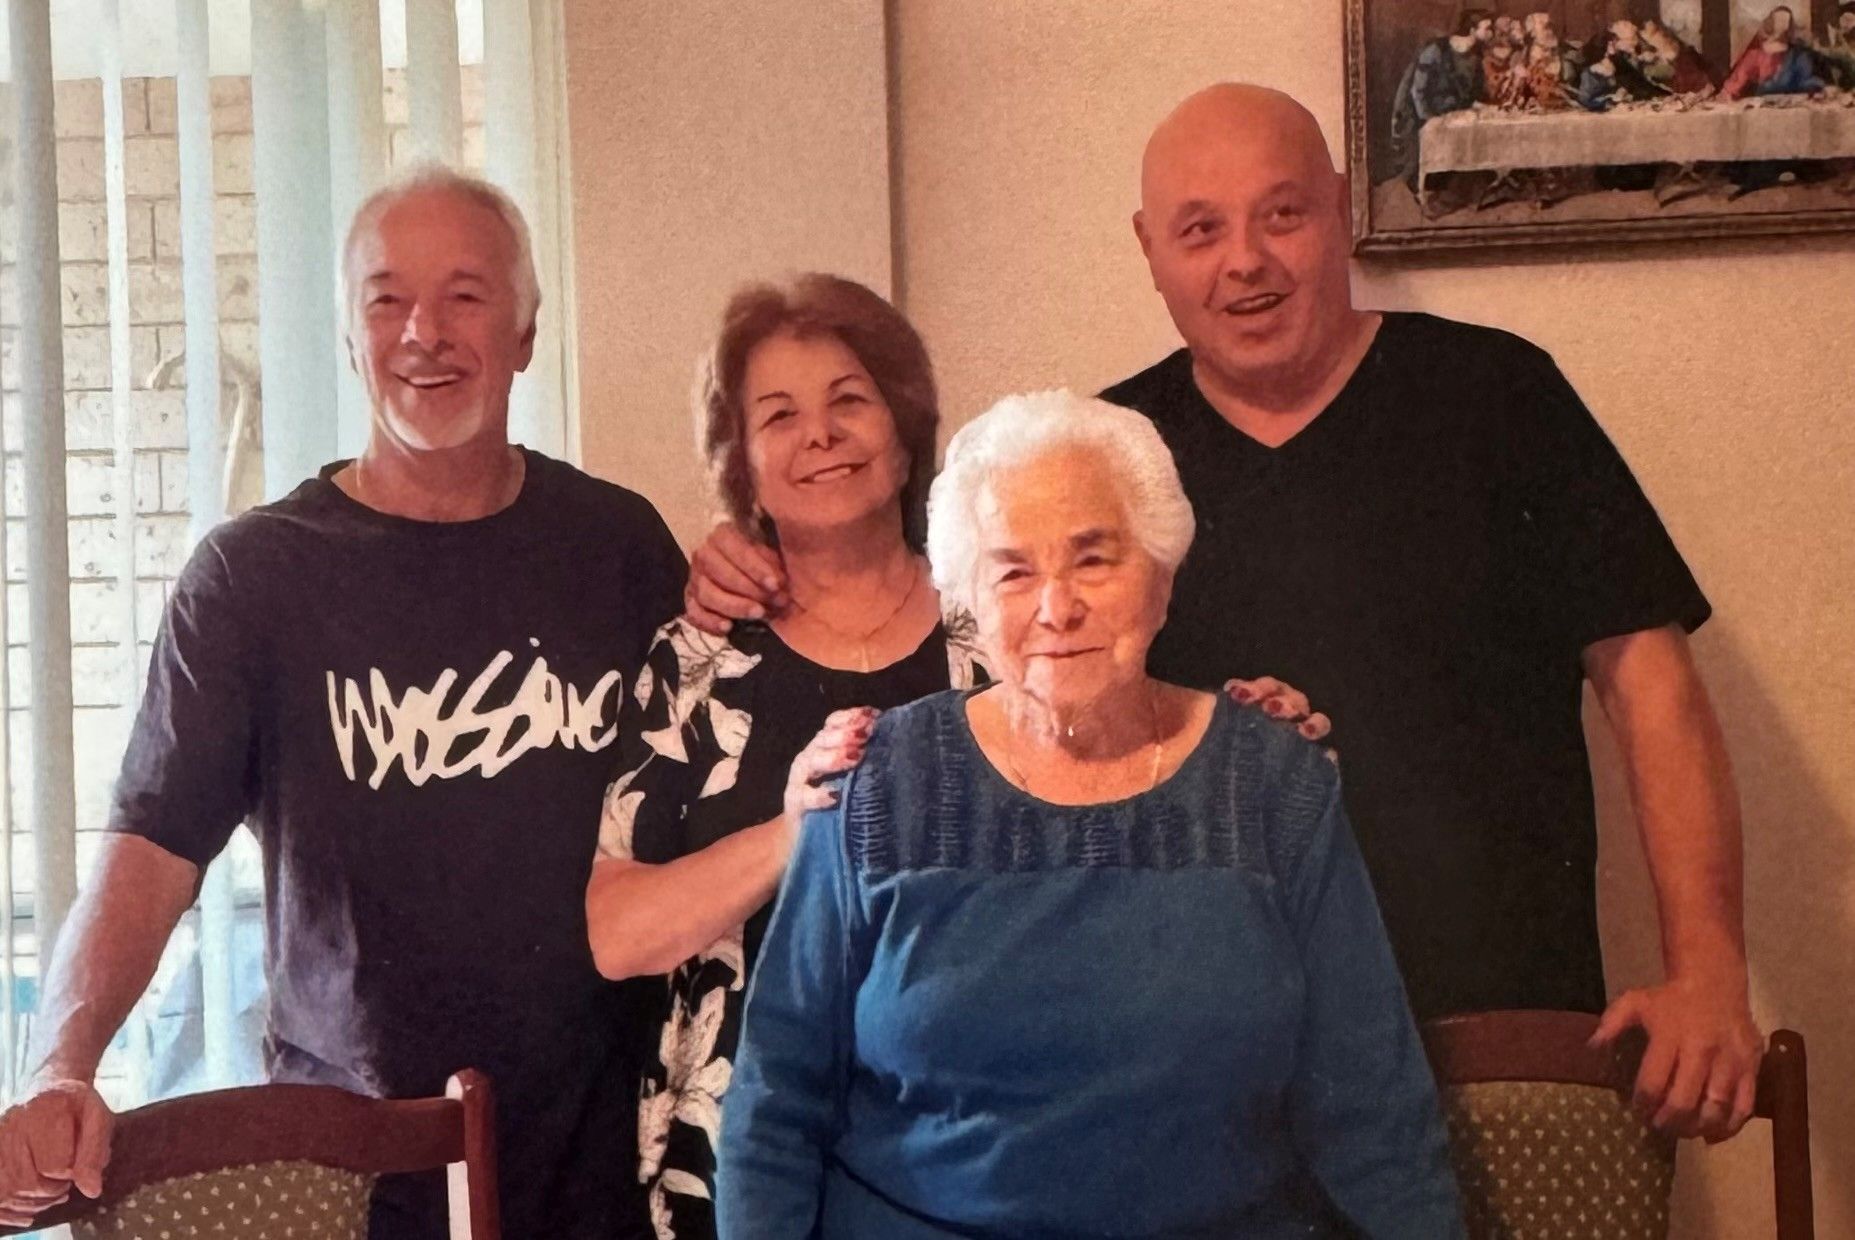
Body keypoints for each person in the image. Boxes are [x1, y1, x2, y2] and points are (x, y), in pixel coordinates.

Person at [685, 83, 1764, 1145]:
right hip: (1207, 1083)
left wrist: (1707, 966)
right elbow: (980, 633)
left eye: (1280, 214)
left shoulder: (1500, 396)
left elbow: (1648, 679)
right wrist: (762, 551)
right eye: (1200, 230)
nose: (1242, 260)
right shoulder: (1103, 461)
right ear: (1150, 249)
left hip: (1504, 1037)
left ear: (1338, 210)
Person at [0, 167, 686, 1238]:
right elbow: (151, 849)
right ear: (348, 333)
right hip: (351, 1183)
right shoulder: (254, 577)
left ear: (525, 332)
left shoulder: (620, 548)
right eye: (386, 298)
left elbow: (709, 800)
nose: (425, 333)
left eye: (466, 295)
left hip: (609, 1171)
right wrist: (59, 1063)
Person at [717, 391, 1464, 1240]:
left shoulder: (1272, 784)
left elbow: (1372, 1102)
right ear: (968, 598)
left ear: (1162, 573)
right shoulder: (873, 784)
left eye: (1093, 560)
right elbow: (775, 1102)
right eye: (1013, 570)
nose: (1055, 608)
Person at [584, 274, 989, 1239]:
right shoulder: (695, 662)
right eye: (779, 415)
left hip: (967, 1149)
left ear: (904, 431)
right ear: (743, 463)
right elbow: (617, 934)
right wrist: (795, 829)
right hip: (726, 1160)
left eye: (850, 400)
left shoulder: (999, 634)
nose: (820, 434)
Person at [1389, 9, 1494, 187]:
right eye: (1487, 28)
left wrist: (1482, 106)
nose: (1491, 33)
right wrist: (1428, 119)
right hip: (1427, 115)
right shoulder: (1436, 50)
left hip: (1454, 115)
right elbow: (1418, 90)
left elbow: (1470, 94)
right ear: (1472, 30)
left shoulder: (1475, 57)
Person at [1721, 6, 1825, 98]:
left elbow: (1807, 79)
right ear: (1771, 24)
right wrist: (1727, 92)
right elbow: (1737, 80)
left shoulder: (1798, 55)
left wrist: (1817, 87)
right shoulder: (1756, 55)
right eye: (1780, 21)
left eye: (1786, 22)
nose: (1784, 25)